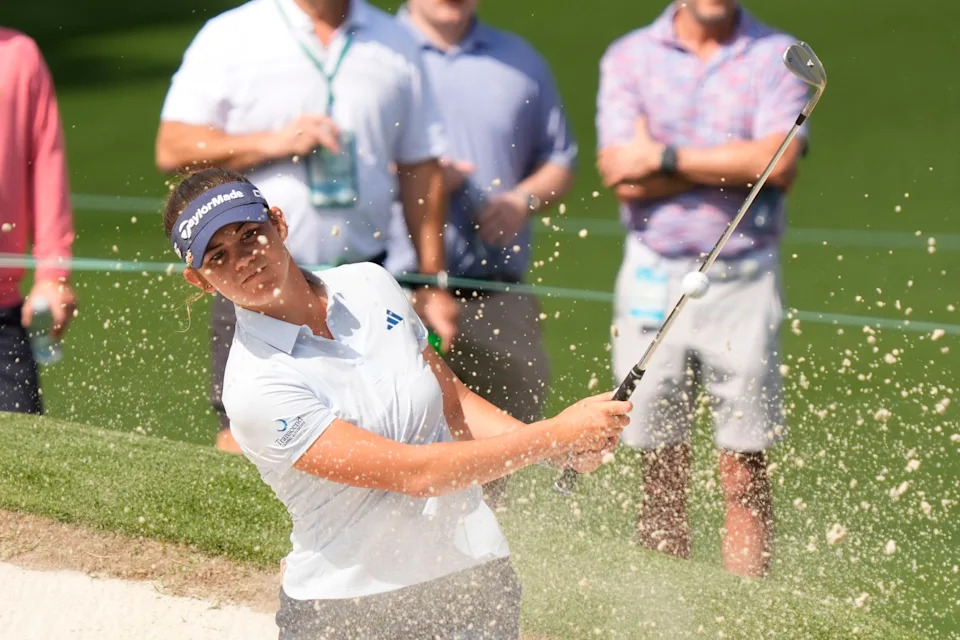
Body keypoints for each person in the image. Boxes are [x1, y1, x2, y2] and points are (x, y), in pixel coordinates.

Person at [162, 167, 631, 639]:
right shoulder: (254, 386)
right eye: (218, 256)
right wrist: (556, 433)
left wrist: (557, 451)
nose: (243, 260)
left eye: (250, 236)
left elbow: (454, 403)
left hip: (475, 576)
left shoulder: (369, 284)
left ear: (279, 224)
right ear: (200, 281)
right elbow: (416, 474)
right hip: (350, 612)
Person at [155, 0, 459, 454]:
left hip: (367, 278)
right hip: (248, 277)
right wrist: (274, 142)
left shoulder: (396, 41)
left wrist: (433, 280)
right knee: (247, 441)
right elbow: (172, 147)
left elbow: (421, 169)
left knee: (400, 420)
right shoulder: (230, 34)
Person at [596, 0, 810, 577]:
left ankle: (744, 614)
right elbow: (619, 171)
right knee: (659, 462)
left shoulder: (776, 56)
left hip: (744, 274)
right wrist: (737, 160)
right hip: (650, 271)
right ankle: (670, 613)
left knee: (744, 465)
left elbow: (779, 162)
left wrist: (662, 157)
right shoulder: (631, 56)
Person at [385, 0, 577, 505]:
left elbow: (561, 161)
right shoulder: (378, 52)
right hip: (392, 286)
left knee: (503, 449)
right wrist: (417, 177)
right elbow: (342, 156)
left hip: (498, 291)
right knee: (398, 436)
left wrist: (523, 199)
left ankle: (485, 568)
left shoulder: (519, 60)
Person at [0, 28, 77, 414]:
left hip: (2, 314)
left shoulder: (20, 55)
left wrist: (53, 273)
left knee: (19, 460)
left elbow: (47, 167)